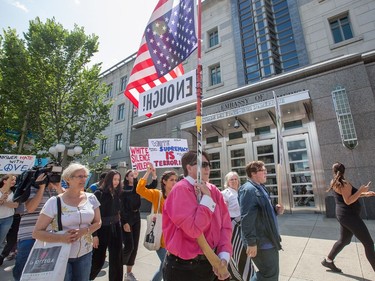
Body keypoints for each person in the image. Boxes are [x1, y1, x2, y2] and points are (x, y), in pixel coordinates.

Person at [162, 150, 232, 281]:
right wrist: (206, 200)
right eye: (203, 164)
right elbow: (194, 230)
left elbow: (225, 225)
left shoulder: (214, 190)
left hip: (211, 263)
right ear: (189, 167)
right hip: (184, 268)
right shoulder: (180, 189)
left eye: (209, 164)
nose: (207, 168)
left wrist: (223, 257)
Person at [33, 163, 102, 281]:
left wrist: (84, 231)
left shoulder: (91, 198)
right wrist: (62, 238)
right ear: (68, 179)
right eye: (79, 176)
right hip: (61, 254)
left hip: (85, 253)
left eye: (85, 176)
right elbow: (37, 233)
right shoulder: (54, 201)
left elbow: (98, 222)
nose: (84, 179)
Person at [321, 162, 375, 273]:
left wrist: (365, 194)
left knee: (344, 240)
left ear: (334, 171)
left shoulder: (335, 182)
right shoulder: (343, 183)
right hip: (349, 216)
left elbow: (349, 195)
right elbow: (348, 200)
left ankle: (328, 261)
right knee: (368, 243)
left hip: (344, 215)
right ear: (344, 170)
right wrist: (361, 190)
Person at [13, 169, 65, 281]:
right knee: (23, 269)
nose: (53, 178)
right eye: (50, 176)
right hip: (29, 235)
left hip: (51, 236)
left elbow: (67, 207)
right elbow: (30, 208)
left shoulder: (59, 191)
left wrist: (59, 187)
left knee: (45, 270)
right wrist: (41, 188)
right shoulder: (32, 188)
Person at [238, 160, 284, 281]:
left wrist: (275, 210)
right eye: (263, 171)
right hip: (261, 242)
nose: (266, 173)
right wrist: (251, 242)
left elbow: (262, 213)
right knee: (269, 274)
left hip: (269, 238)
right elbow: (247, 219)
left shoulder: (261, 187)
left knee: (269, 273)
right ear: (253, 173)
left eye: (266, 171)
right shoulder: (248, 190)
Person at [136, 164, 178, 281]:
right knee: (169, 267)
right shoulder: (157, 195)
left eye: (176, 180)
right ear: (164, 181)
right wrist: (148, 173)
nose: (174, 182)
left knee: (163, 268)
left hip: (174, 238)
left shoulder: (178, 195)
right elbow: (140, 190)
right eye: (171, 180)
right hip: (160, 238)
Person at [121, 168, 157, 281]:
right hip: (126, 218)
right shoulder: (123, 190)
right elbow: (121, 207)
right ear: (127, 177)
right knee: (128, 246)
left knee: (135, 246)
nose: (133, 177)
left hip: (136, 217)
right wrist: (125, 222)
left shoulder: (138, 188)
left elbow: (152, 186)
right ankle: (118, 262)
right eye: (131, 175)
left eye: (134, 175)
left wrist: (153, 173)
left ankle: (129, 273)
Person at [90, 170, 123, 281]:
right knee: (98, 260)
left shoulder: (117, 192)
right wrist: (94, 235)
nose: (117, 182)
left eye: (118, 179)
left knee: (117, 259)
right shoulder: (98, 194)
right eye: (114, 179)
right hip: (101, 229)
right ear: (108, 179)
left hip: (116, 228)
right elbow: (92, 216)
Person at [222, 171, 253, 281]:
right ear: (227, 182)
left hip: (244, 226)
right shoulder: (225, 193)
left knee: (245, 251)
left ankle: (244, 275)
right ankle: (241, 276)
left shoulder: (242, 191)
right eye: (231, 179)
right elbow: (223, 211)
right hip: (233, 226)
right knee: (238, 253)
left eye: (236, 179)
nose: (234, 181)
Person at [0, 174, 18, 266]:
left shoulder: (14, 192)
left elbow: (15, 205)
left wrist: (4, 202)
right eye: (12, 179)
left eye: (15, 180)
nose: (14, 182)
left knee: (1, 241)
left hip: (8, 219)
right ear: (4, 181)